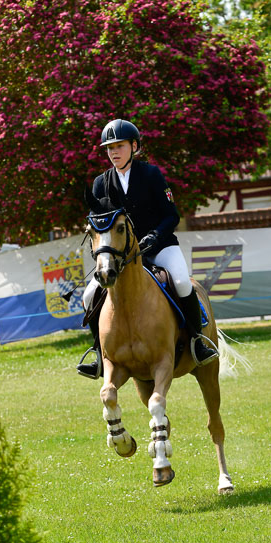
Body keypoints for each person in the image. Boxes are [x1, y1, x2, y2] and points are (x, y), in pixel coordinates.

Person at [77, 118, 219, 379]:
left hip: (159, 247)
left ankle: (198, 341)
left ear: (134, 146)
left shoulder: (151, 175)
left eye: (119, 146)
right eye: (109, 148)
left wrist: (154, 236)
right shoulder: (101, 183)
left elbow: (171, 216)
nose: (114, 152)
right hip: (121, 257)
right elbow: (97, 223)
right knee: (88, 296)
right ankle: (98, 353)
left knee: (181, 282)